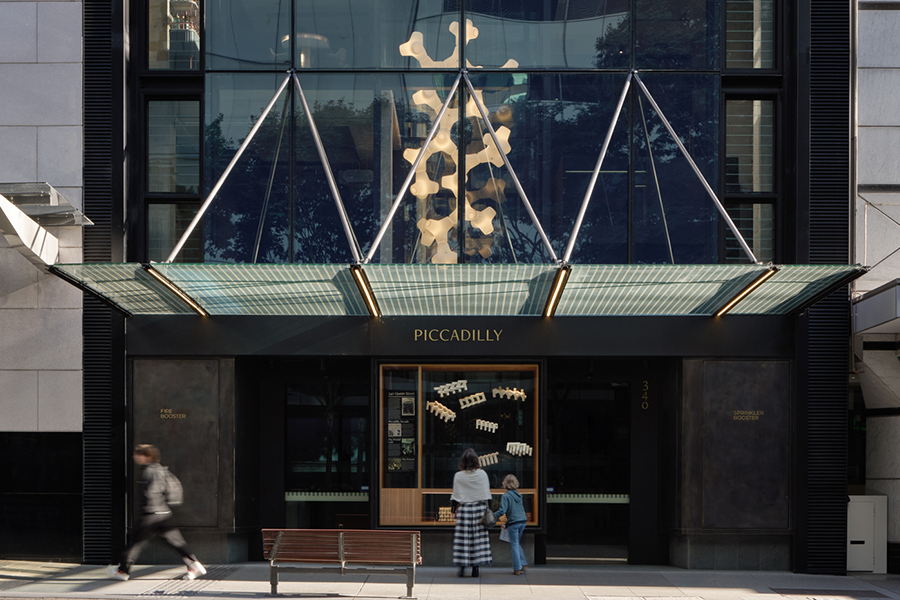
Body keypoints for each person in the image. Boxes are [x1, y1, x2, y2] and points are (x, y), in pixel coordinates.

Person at [105, 444, 206, 581]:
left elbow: (151, 492)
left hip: (152, 513)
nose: (134, 456)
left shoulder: (150, 470)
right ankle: (194, 564)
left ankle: (123, 571)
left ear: (147, 457)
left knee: (136, 543)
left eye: (137, 454)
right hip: (163, 512)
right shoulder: (159, 469)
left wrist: (146, 509)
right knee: (175, 541)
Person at [450, 448, 492, 577]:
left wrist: (453, 511)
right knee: (478, 540)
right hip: (479, 509)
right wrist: (488, 511)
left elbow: (456, 496)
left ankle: (462, 568)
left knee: (463, 540)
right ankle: (476, 568)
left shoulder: (458, 476)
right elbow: (487, 495)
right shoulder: (482, 474)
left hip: (464, 510)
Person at [494, 474, 528, 575]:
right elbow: (517, 511)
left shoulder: (506, 496)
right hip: (522, 522)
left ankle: (517, 568)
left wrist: (492, 516)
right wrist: (507, 523)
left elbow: (503, 510)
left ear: (505, 483)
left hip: (514, 523)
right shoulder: (519, 495)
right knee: (517, 543)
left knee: (514, 545)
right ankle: (523, 564)